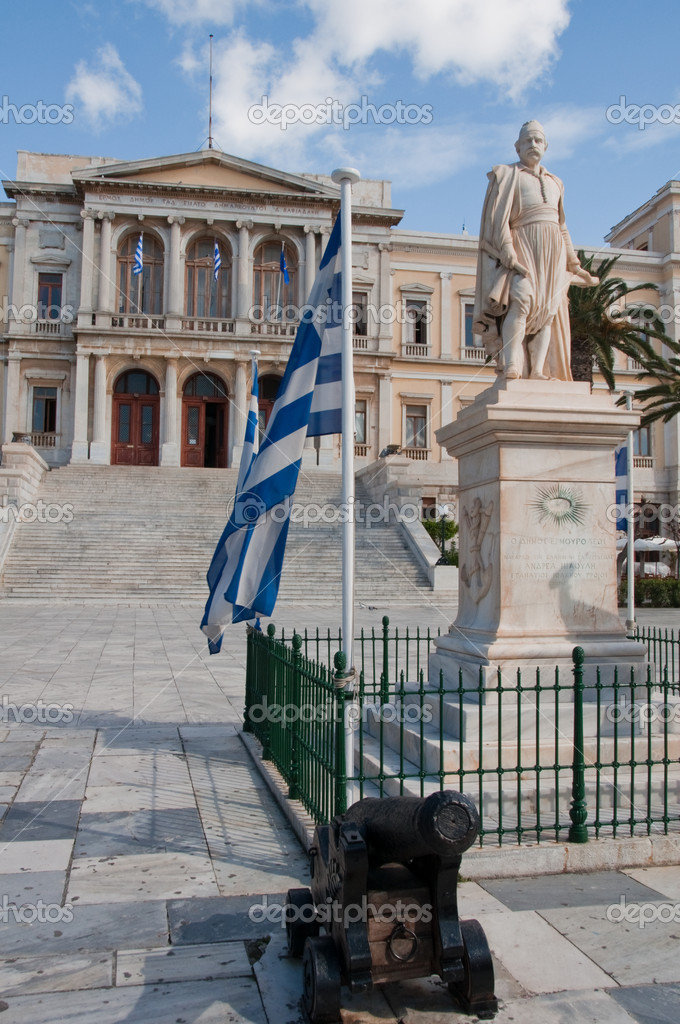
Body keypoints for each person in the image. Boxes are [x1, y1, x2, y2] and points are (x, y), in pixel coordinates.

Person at [473, 120, 597, 380]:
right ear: (517, 148)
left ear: (546, 146)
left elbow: (562, 226)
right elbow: (498, 219)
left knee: (548, 311)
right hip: (523, 249)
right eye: (527, 140)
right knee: (521, 301)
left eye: (538, 140)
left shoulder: (556, 183)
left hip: (553, 257)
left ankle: (538, 370)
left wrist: (573, 263)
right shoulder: (507, 175)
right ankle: (512, 364)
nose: (533, 144)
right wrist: (507, 249)